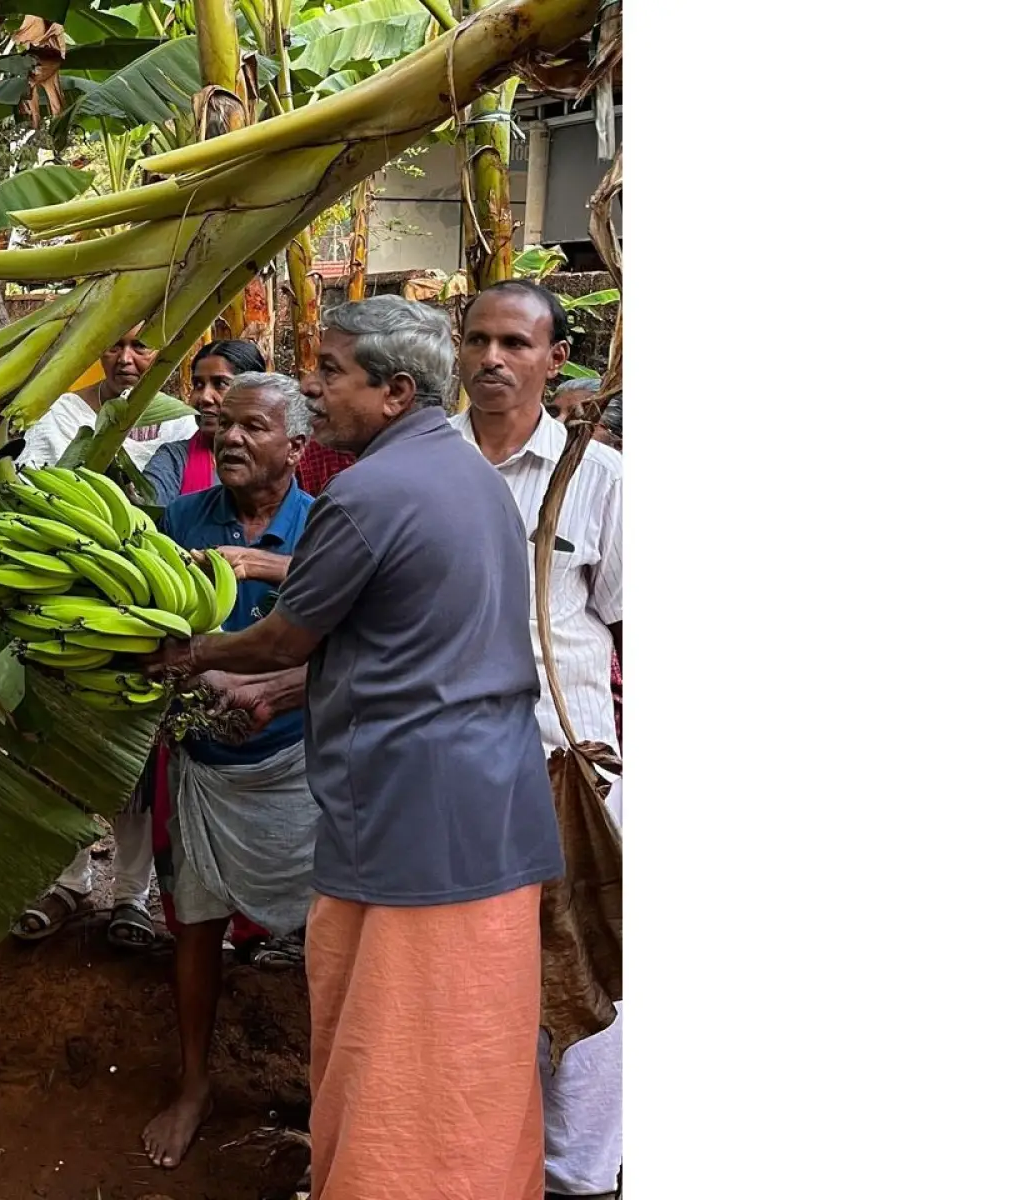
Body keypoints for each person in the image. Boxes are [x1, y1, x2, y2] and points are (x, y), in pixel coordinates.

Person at [148, 295, 562, 1200]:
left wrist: (186, 653)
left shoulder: (367, 493)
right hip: (487, 804)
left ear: (396, 390)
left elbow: (283, 639)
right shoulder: (469, 476)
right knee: (471, 1051)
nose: (313, 386)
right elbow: (403, 647)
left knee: (399, 1047)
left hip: (416, 817)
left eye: (331, 370)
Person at [454, 279, 625, 1200]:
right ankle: (493, 1160)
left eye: (516, 343)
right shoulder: (431, 465)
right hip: (453, 766)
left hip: (567, 764)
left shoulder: (600, 478)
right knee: (481, 973)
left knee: (588, 974)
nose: (493, 358)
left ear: (555, 359)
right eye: (478, 339)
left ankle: (579, 1174)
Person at [138, 372, 321, 1172]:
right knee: (194, 926)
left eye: (254, 427)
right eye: (226, 426)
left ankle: (330, 1088)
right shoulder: (182, 520)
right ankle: (192, 1085)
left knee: (326, 942)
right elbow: (149, 631)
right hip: (204, 763)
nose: (232, 438)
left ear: (297, 446)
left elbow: (353, 647)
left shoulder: (323, 532)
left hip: (299, 765)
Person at [20, 325, 198, 471]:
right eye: (115, 345)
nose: (125, 359)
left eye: (140, 346)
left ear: (161, 353)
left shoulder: (179, 423)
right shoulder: (62, 415)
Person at [143, 340, 266, 500]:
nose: (204, 397)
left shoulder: (278, 459)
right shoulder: (174, 460)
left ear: (255, 393)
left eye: (220, 384)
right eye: (198, 385)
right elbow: (145, 518)